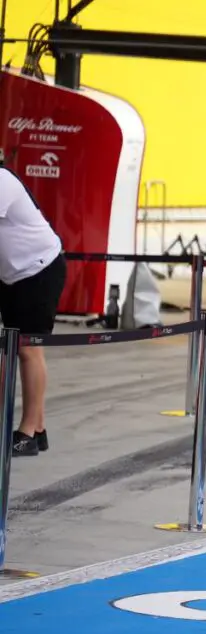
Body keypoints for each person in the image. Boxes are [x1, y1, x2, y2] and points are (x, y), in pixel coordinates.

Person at [0, 165, 67, 457]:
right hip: (12, 275)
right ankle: (37, 430)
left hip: (39, 269)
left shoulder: (2, 180)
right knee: (10, 348)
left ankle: (26, 432)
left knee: (28, 350)